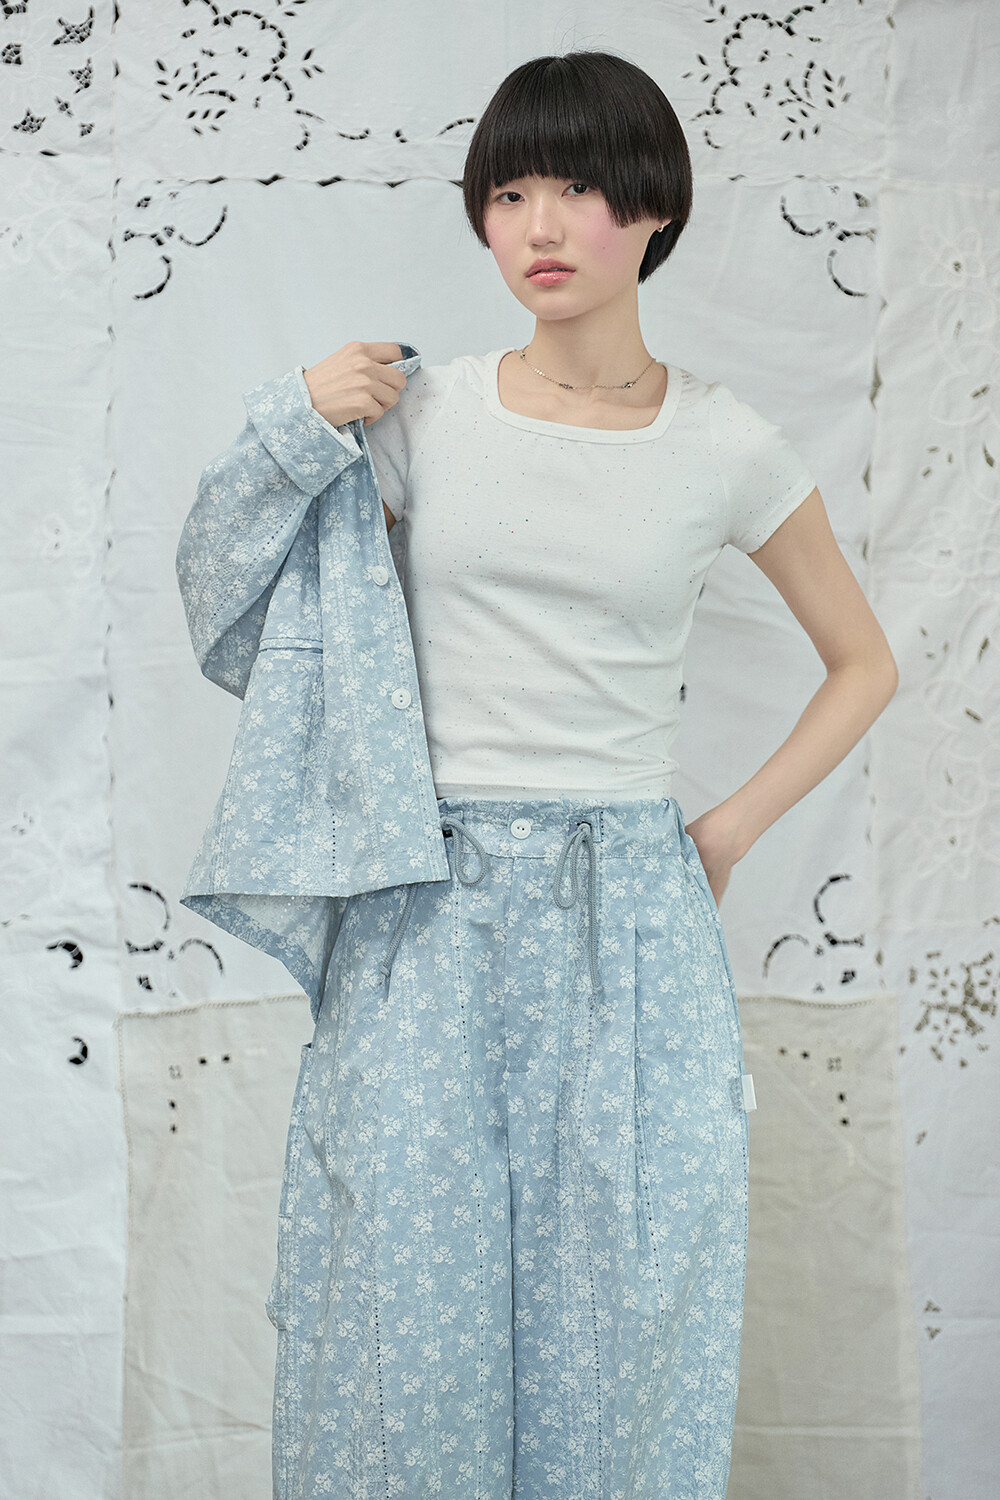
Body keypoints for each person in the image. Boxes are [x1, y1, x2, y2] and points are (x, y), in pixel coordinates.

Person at [189, 49, 898, 1500]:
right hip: (425, 903)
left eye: (578, 186)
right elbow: (230, 598)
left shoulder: (723, 442)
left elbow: (864, 663)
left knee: (623, 1311)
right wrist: (294, 421)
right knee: (396, 1312)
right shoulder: (422, 413)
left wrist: (724, 833)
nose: (542, 225)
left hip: (625, 913)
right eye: (509, 193)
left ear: (653, 208)